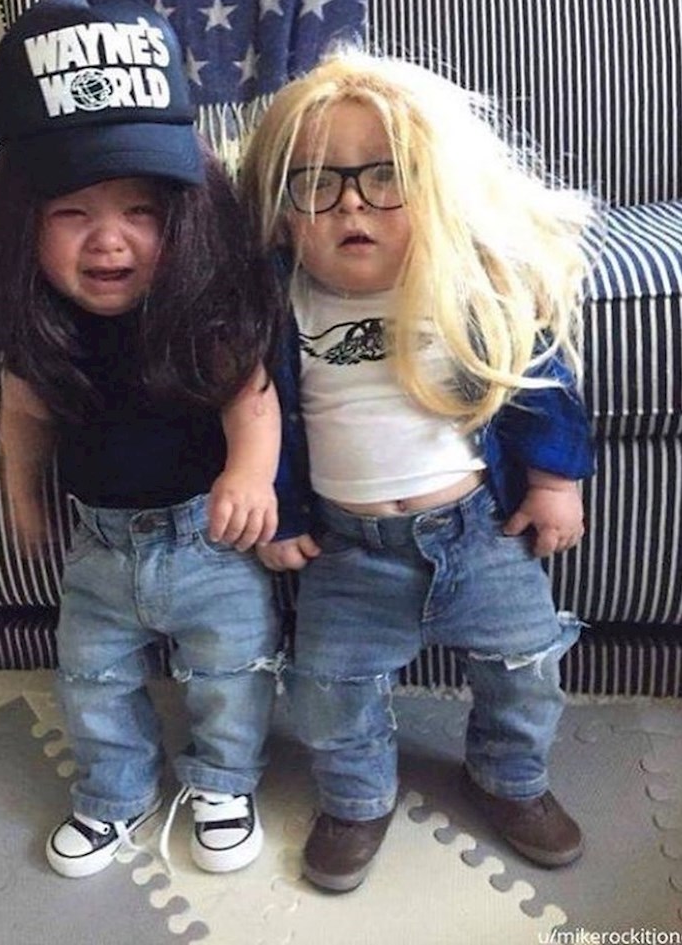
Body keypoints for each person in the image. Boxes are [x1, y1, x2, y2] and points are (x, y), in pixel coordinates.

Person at [239, 46, 597, 892]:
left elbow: (540, 384)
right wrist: (280, 514)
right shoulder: (279, 301)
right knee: (330, 688)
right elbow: (259, 420)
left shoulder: (467, 285)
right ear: (283, 212)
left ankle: (510, 776)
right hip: (348, 552)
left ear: (437, 186)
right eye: (316, 182)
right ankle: (357, 795)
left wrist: (556, 482)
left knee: (525, 669)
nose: (351, 203)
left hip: (479, 535)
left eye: (385, 176)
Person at [0, 0, 286, 880]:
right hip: (99, 550)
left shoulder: (203, 313)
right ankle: (113, 789)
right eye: (71, 213)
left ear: (184, 213)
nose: (109, 241)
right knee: (91, 676)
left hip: (211, 540)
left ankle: (224, 781)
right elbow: (22, 416)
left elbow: (252, 397)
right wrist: (21, 498)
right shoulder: (39, 333)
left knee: (232, 670)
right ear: (21, 224)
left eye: (140, 211)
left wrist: (252, 474)